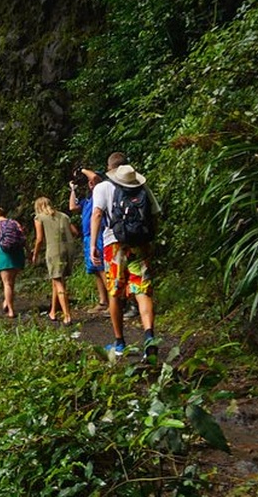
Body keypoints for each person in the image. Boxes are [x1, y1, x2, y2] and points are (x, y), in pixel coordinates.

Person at [90, 154, 162, 362]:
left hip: (114, 245)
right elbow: (154, 214)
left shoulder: (102, 187)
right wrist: (149, 242)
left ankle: (120, 342)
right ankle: (149, 339)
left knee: (115, 292)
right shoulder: (141, 186)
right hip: (140, 245)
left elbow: (96, 214)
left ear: (110, 169)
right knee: (142, 290)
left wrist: (93, 244)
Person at [31, 196, 78, 326]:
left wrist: (35, 253)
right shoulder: (63, 216)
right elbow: (75, 231)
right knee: (56, 280)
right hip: (67, 249)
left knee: (58, 282)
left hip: (53, 250)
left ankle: (67, 315)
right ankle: (52, 311)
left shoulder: (39, 218)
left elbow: (39, 239)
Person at [69, 168, 109, 315]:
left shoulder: (102, 193)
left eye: (92, 181)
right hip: (87, 236)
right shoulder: (88, 200)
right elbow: (72, 207)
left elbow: (96, 178)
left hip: (98, 234)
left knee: (102, 268)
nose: (90, 183)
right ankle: (103, 301)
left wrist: (81, 169)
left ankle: (114, 303)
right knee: (95, 270)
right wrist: (73, 189)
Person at [0, 207, 26, 318]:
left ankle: (11, 311)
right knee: (12, 282)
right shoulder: (14, 222)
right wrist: (29, 253)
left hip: (5, 255)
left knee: (7, 283)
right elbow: (23, 238)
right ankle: (6, 302)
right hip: (18, 254)